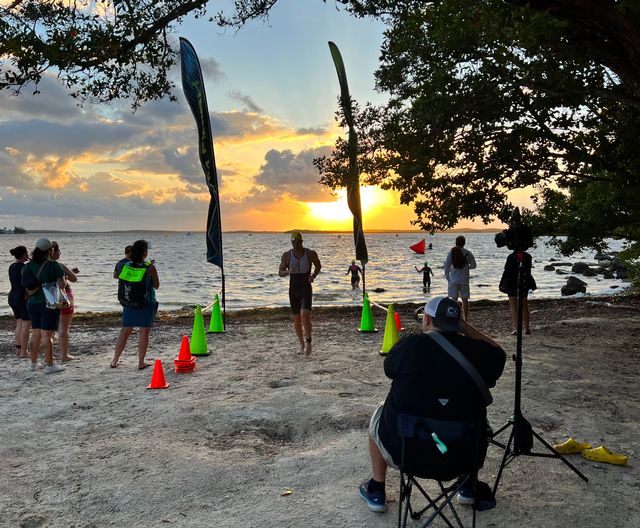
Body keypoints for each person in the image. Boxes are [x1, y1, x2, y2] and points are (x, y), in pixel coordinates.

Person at [358, 296, 505, 513]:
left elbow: (389, 369)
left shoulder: (409, 346)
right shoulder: (478, 353)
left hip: (408, 453)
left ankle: (377, 489)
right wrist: (465, 327)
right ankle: (467, 487)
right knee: (470, 419)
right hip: (463, 456)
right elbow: (500, 354)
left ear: (426, 319)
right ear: (458, 324)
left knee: (380, 412)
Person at [110, 239, 159, 369]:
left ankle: (114, 360)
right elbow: (156, 285)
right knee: (144, 332)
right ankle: (141, 362)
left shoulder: (126, 266)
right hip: (146, 302)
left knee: (125, 331)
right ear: (145, 253)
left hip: (129, 302)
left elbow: (121, 280)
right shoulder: (150, 267)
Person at [21, 237, 66, 374]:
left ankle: (33, 364)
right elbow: (62, 284)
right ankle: (49, 364)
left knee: (35, 332)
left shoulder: (27, 266)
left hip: (32, 302)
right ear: (50, 250)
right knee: (48, 334)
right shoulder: (53, 265)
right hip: (49, 302)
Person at [278, 230, 321, 356]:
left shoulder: (310, 254)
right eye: (293, 243)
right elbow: (280, 272)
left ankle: (308, 343)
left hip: (306, 288)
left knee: (305, 315)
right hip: (293, 289)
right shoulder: (286, 255)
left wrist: (313, 276)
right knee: (296, 319)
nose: (295, 245)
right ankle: (301, 344)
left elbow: (318, 266)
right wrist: (288, 272)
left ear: (301, 241)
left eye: (297, 242)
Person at [50, 241, 79, 361]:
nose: (59, 253)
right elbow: (74, 278)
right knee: (64, 327)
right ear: (53, 252)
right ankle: (64, 355)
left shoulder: (39, 265)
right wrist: (67, 274)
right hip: (64, 296)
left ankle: (49, 355)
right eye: (59, 251)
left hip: (48, 295)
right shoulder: (59, 265)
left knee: (48, 328)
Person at [499, 251, 537, 335]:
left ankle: (516, 329)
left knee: (513, 305)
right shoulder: (527, 256)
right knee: (524, 304)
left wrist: (503, 283)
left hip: (512, 282)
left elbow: (507, 270)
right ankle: (527, 328)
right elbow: (528, 270)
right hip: (524, 281)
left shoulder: (511, 256)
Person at [444, 235, 477, 320]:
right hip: (464, 279)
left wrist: (448, 278)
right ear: (464, 243)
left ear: (456, 242)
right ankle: (465, 317)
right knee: (465, 299)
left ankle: (454, 317)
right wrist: (466, 267)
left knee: (454, 300)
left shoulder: (452, 252)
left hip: (454, 279)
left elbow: (446, 266)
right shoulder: (468, 253)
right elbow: (474, 266)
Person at [8, 245, 31, 358]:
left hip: (12, 296)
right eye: (26, 253)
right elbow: (26, 284)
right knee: (26, 324)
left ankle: (19, 349)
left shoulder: (12, 266)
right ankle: (24, 352)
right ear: (23, 255)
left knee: (19, 323)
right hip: (22, 297)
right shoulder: (24, 267)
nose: (28, 255)